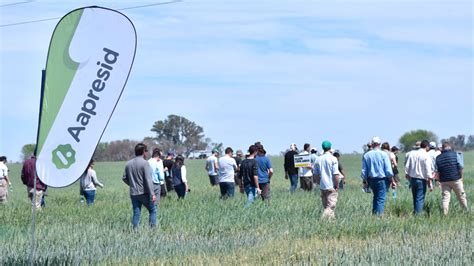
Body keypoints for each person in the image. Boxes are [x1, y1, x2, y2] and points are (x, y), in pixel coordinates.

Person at [122, 143, 157, 229]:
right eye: (146, 151)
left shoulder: (128, 163)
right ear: (143, 152)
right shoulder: (145, 163)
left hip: (133, 193)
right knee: (153, 210)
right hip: (144, 193)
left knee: (136, 212)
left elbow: (124, 178)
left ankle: (135, 231)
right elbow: (148, 180)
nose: (147, 153)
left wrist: (133, 184)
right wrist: (152, 194)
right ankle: (152, 230)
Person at [361, 137, 394, 216]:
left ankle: (374, 214)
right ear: (379, 144)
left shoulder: (367, 155)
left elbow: (364, 171)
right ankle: (379, 217)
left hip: (371, 180)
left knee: (375, 197)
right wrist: (392, 180)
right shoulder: (384, 154)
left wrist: (365, 181)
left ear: (372, 144)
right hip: (382, 179)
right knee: (381, 199)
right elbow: (388, 170)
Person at [435, 142, 468, 215]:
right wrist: (461, 177)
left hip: (444, 181)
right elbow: (461, 167)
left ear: (442, 148)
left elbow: (437, 171)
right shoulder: (455, 154)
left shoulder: (438, 158)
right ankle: (466, 212)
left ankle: (445, 214)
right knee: (462, 196)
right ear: (450, 147)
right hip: (456, 179)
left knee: (445, 199)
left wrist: (438, 181)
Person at [405, 140, 433, 215]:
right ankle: (418, 215)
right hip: (421, 180)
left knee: (415, 197)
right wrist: (430, 179)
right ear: (427, 146)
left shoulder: (412, 153)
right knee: (420, 198)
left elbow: (407, 166)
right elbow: (428, 168)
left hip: (413, 179)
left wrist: (407, 174)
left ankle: (415, 212)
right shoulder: (426, 155)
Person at [314, 141, 340, 219]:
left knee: (327, 206)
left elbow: (315, 174)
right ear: (330, 148)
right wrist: (337, 184)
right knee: (331, 207)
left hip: (322, 186)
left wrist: (319, 182)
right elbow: (335, 174)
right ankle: (322, 219)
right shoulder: (333, 158)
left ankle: (332, 222)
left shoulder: (318, 159)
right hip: (331, 185)